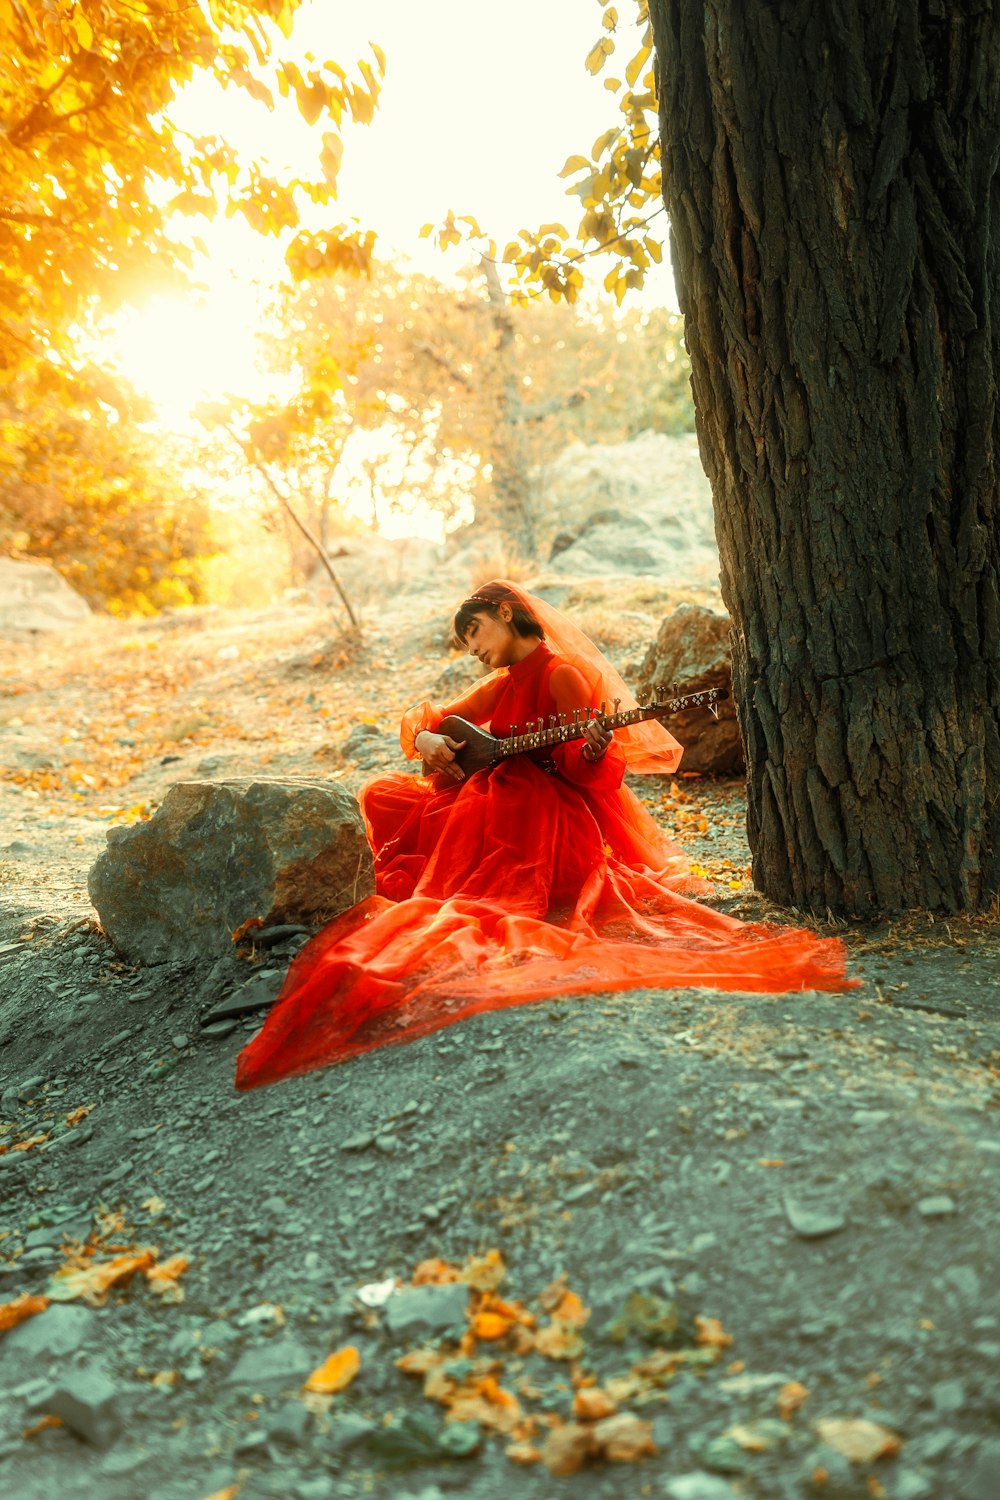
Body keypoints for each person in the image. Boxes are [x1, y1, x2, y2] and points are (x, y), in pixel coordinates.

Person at [235, 581, 853, 1091]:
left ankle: (484, 874)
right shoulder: (504, 680)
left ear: (505, 612)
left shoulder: (563, 676)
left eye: (473, 631)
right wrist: (426, 740)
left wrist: (590, 747)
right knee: (383, 795)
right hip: (488, 797)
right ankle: (462, 846)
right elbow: (436, 719)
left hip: (544, 812)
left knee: (495, 804)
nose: (471, 648)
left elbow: (591, 776)